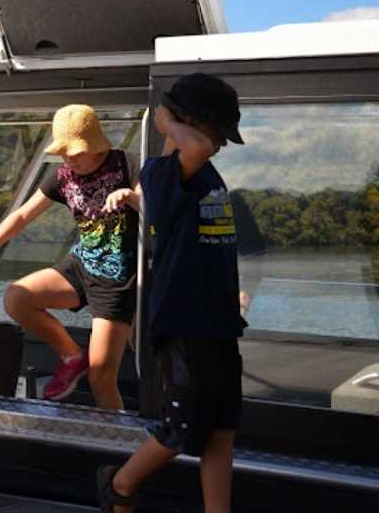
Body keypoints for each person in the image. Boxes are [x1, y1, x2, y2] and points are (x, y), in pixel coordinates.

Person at [97, 73, 247, 513]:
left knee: (222, 429)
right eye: (216, 132)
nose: (218, 143)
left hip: (218, 323)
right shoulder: (165, 170)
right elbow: (193, 146)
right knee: (181, 428)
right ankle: (119, 485)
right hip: (186, 325)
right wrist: (165, 119)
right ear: (187, 124)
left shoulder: (193, 172)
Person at [0, 104, 140, 408]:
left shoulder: (128, 165)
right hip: (81, 265)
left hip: (117, 281)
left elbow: (156, 210)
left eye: (75, 153)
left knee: (101, 377)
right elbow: (22, 215)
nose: (68, 159)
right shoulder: (63, 176)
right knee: (17, 298)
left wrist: (130, 196)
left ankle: (119, 444)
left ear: (95, 144)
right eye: (63, 153)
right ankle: (72, 356)